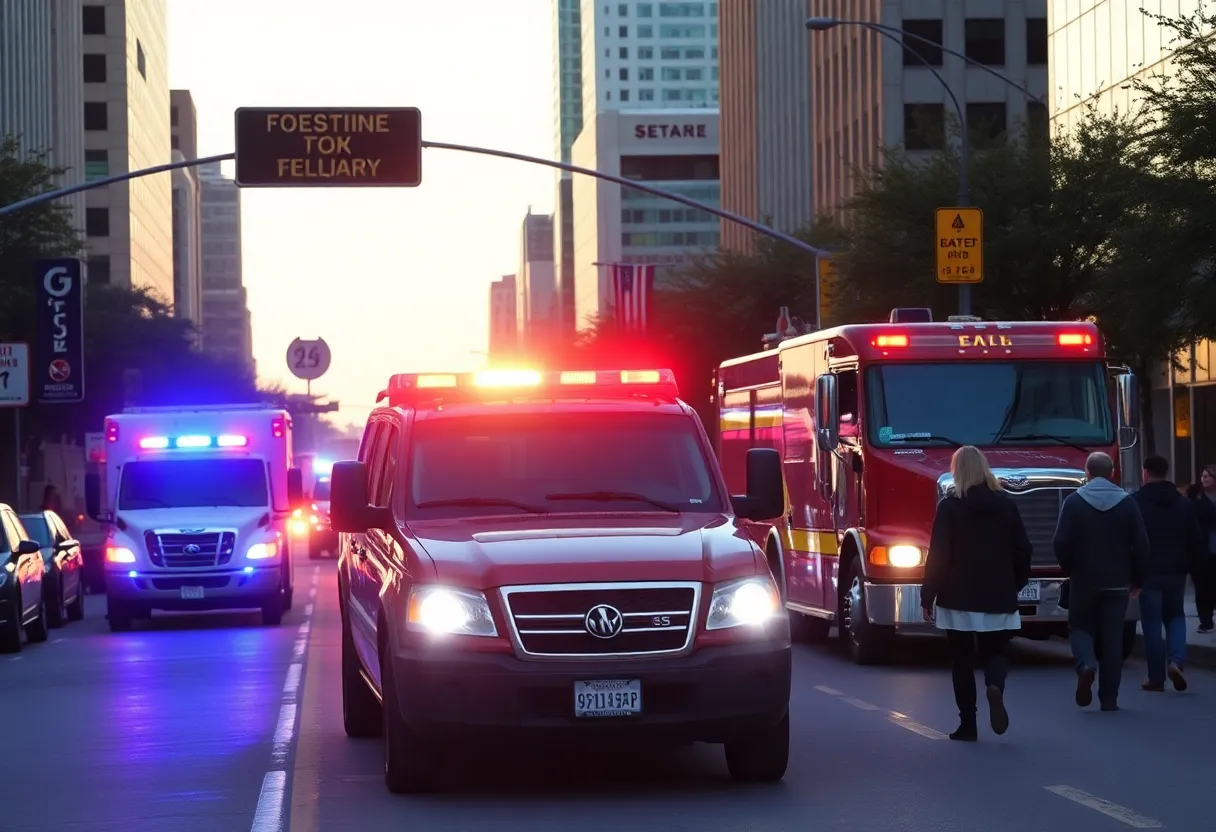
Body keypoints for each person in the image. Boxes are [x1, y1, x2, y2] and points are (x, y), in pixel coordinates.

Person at [921, 445, 1032, 742]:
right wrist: (1015, 583)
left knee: (961, 660)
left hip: (957, 595)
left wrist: (927, 594)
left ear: (957, 471)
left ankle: (968, 725)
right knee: (995, 651)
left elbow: (939, 555)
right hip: (998, 592)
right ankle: (994, 686)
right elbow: (1023, 549)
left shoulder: (949, 507)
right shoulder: (1006, 505)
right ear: (985, 469)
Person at [1053, 452, 1149, 711]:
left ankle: (1086, 665)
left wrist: (1069, 567)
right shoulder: (1127, 503)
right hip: (1118, 582)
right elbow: (1141, 544)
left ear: (1087, 472)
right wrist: (1138, 579)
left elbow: (1061, 541)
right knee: (1113, 638)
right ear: (1111, 472)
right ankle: (1109, 698)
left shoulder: (1074, 502)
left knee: (1080, 627)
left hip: (1084, 580)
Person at [1131, 455, 1201, 692]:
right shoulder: (1184, 504)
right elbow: (1194, 539)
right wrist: (1193, 568)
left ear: (1145, 472)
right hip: (1176, 570)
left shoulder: (1136, 502)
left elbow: (1131, 539)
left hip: (1148, 571)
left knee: (1151, 622)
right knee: (1176, 616)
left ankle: (1155, 677)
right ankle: (1177, 661)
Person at [1190, 464, 1216, 634]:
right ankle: (1205, 621)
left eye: (1207, 476)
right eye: (1202, 476)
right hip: (1203, 547)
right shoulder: (1196, 497)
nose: (1203, 479)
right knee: (1203, 586)